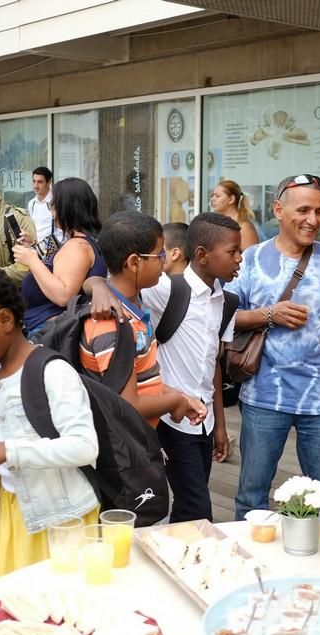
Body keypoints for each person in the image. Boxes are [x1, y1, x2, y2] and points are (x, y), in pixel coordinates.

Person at [0, 264, 100, 578]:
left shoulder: (52, 372)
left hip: (64, 520)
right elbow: (3, 431)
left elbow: (84, 446)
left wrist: (4, 451)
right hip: (17, 511)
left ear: (5, 319)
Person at [226, 174, 320, 520]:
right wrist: (269, 314)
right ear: (278, 210)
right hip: (263, 396)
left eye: (318, 211)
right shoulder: (251, 259)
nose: (313, 220)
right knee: (252, 495)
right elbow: (225, 319)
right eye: (303, 210)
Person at [120, 213, 242, 522]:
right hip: (173, 420)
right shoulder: (167, 289)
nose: (240, 258)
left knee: (189, 504)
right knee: (197, 507)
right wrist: (97, 286)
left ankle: (177, 556)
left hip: (206, 421)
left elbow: (213, 363)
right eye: (232, 251)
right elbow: (119, 283)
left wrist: (221, 427)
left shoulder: (227, 301)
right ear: (202, 255)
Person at [79, 211, 206, 428]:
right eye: (159, 256)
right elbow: (127, 404)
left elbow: (142, 377)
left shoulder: (134, 304)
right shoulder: (111, 323)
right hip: (123, 450)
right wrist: (175, 401)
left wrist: (180, 397)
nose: (164, 262)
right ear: (134, 262)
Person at [15, 177, 106, 339]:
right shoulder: (85, 243)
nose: (51, 211)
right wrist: (32, 251)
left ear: (66, 209)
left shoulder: (77, 246)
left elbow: (63, 296)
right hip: (50, 329)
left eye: (52, 205)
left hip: (50, 333)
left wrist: (32, 261)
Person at [210, 180, 260, 249]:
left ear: (231, 199)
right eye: (212, 196)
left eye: (217, 196)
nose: (212, 199)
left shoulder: (244, 227)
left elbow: (250, 257)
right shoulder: (215, 224)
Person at [27, 166, 55, 244]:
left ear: (49, 182)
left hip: (52, 250)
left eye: (40, 182)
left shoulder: (56, 202)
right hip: (36, 249)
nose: (36, 186)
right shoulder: (31, 204)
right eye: (34, 181)